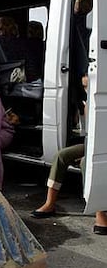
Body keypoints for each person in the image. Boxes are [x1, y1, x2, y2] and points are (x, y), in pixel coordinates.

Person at [31, 75, 107, 235]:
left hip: (102, 147)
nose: (87, 90)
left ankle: (100, 212)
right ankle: (49, 203)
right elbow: (88, 132)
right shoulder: (88, 104)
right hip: (90, 144)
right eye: (85, 87)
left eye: (89, 86)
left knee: (87, 162)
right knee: (61, 156)